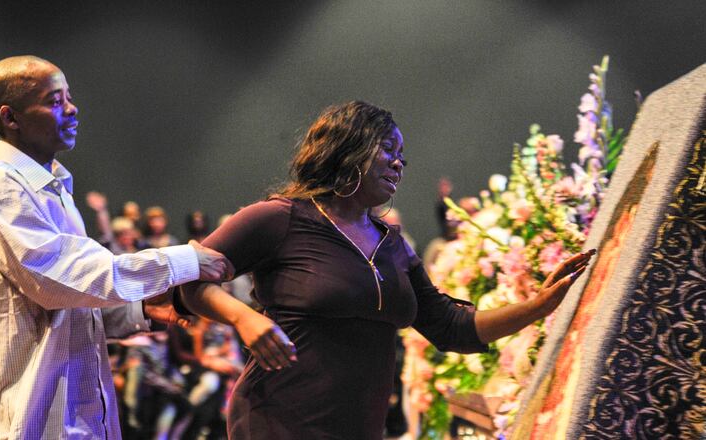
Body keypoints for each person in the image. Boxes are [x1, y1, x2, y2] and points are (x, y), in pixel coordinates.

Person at [179, 101, 594, 439]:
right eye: (389, 150)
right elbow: (188, 280)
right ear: (348, 148)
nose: (399, 164)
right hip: (278, 421)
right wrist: (242, 316)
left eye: (403, 157)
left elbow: (453, 328)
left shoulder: (392, 244)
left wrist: (538, 306)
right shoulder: (279, 218)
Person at [0, 55, 233, 439]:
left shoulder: (51, 190)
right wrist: (186, 259)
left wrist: (139, 309)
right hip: (30, 422)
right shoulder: (2, 187)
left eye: (68, 96)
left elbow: (70, 308)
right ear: (11, 118)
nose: (72, 109)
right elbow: (60, 284)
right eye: (55, 101)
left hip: (74, 419)